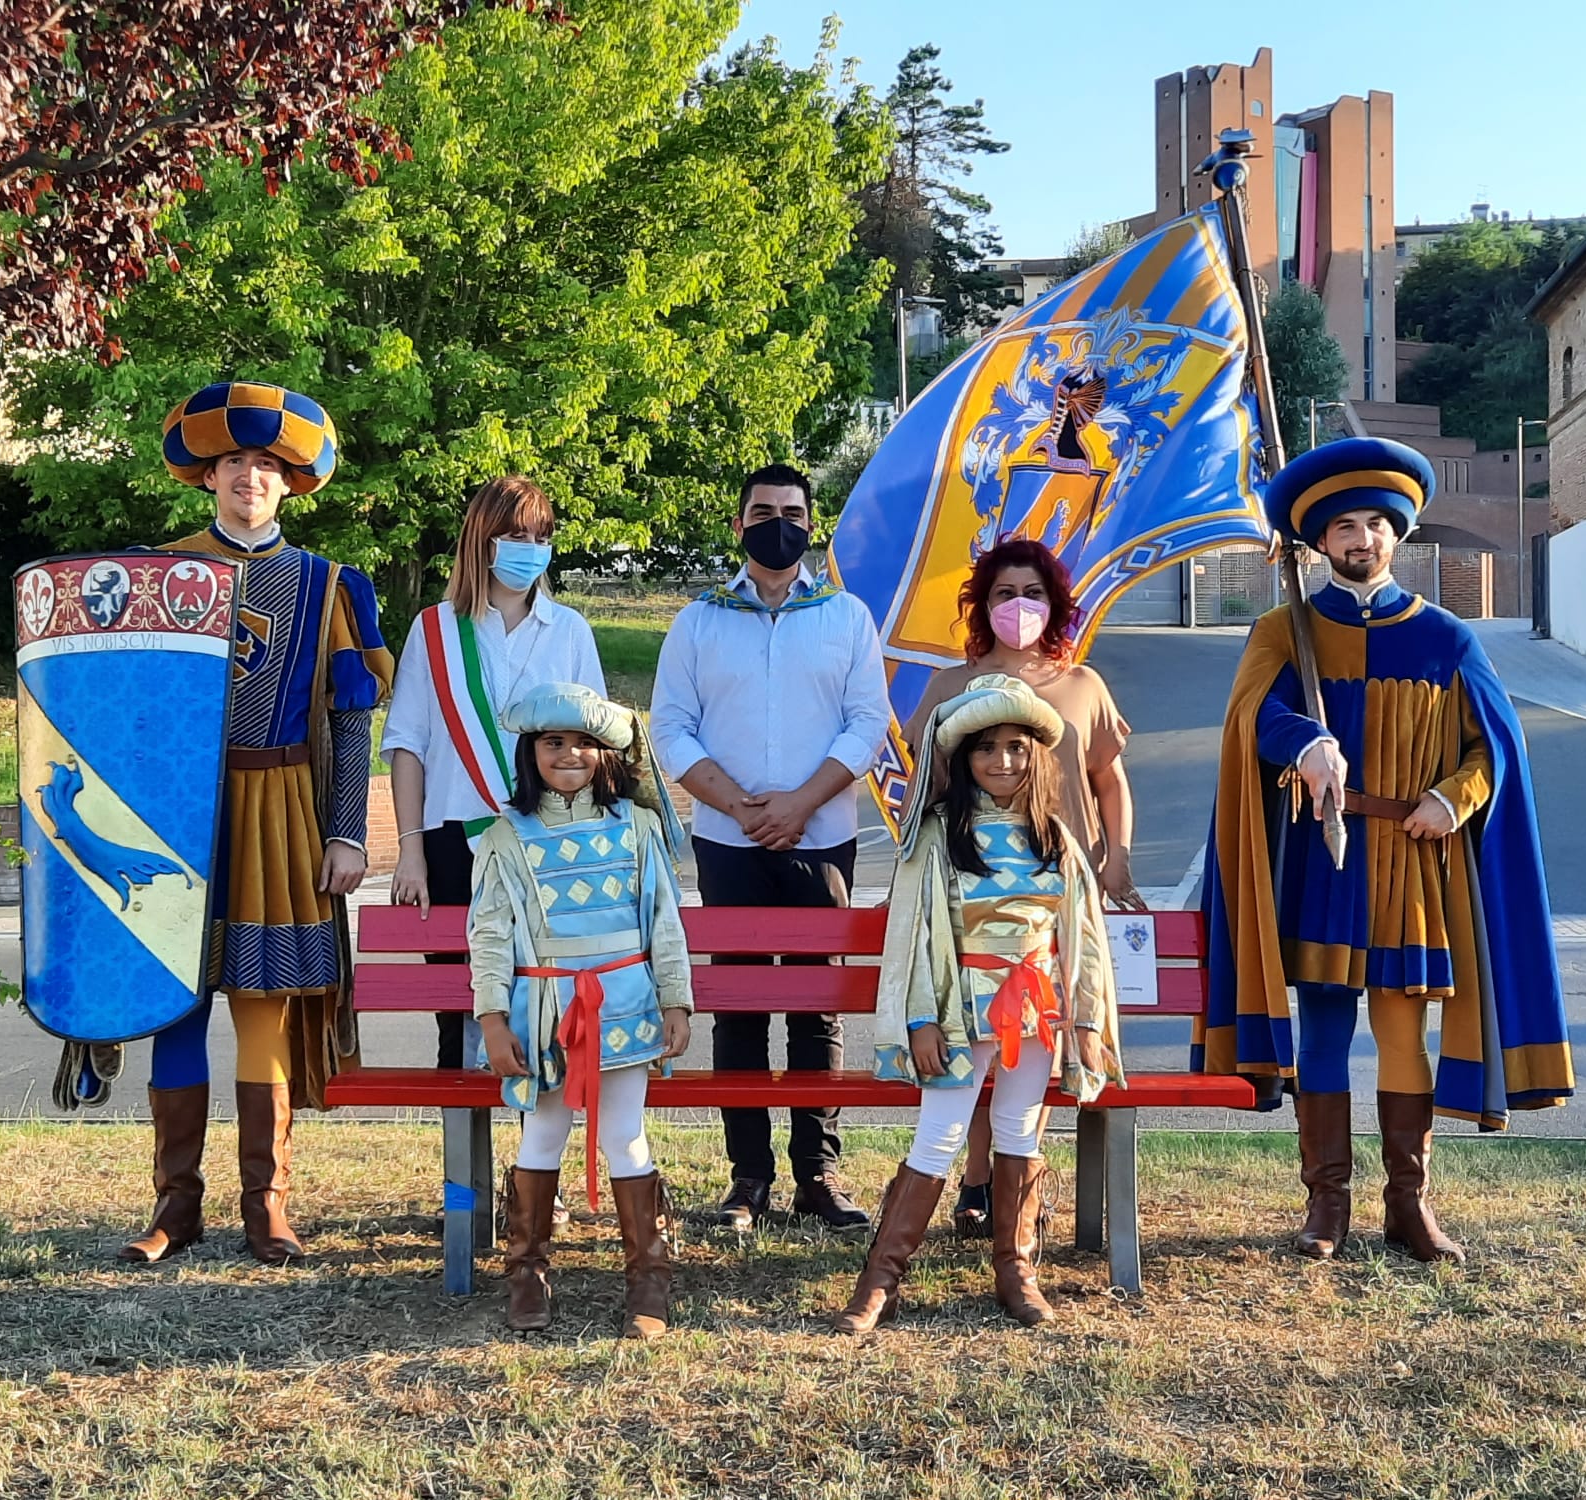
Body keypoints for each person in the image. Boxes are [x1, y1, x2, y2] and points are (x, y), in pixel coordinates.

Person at [1196, 436, 1576, 1265]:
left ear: (1398, 534)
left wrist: (1452, 798)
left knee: (1404, 1037)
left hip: (1411, 870)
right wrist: (1301, 739)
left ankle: (1409, 1204)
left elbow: (1494, 751)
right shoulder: (1281, 631)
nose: (1359, 539)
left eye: (1374, 523)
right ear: (1317, 543)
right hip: (1324, 868)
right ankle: (1326, 1204)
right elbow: (1249, 721)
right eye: (1341, 528)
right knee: (1325, 1034)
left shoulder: (1447, 638)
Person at [122, 381, 394, 1266]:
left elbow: (352, 723)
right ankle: (176, 1206)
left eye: (268, 466)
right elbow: (123, 718)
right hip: (175, 816)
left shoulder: (328, 586)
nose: (250, 476)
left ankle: (265, 1202)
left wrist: (348, 831)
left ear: (289, 484)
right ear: (208, 477)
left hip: (282, 809)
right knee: (176, 1002)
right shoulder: (156, 577)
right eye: (235, 461)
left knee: (264, 1004)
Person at [834, 674, 1124, 1333]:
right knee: (938, 1134)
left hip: (1034, 1017)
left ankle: (1015, 1271)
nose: (1003, 761)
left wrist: (1082, 1020)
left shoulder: (1057, 838)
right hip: (958, 1014)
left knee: (1019, 1129)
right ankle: (881, 1280)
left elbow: (1080, 939)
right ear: (962, 760)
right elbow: (914, 936)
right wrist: (920, 1019)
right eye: (985, 748)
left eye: (1018, 747)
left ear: (1038, 754)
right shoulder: (938, 836)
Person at [650, 462, 891, 1232]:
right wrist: (742, 806)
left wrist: (800, 804)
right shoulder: (699, 620)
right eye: (762, 510)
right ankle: (748, 1177)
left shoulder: (847, 616)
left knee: (817, 1006)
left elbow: (866, 722)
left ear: (809, 524)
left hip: (822, 840)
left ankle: (818, 1174)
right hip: (727, 839)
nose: (776, 522)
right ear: (738, 525)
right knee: (741, 1006)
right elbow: (670, 727)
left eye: (791, 511)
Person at [902, 536, 1138, 1236]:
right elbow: (924, 783)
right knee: (972, 1031)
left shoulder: (1083, 686)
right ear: (982, 604)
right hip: (974, 891)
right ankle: (974, 1183)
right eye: (1004, 593)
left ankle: (1013, 1224)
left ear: (1056, 604)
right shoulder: (951, 685)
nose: (1019, 606)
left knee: (1028, 1040)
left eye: (1033, 593)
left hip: (1059, 892)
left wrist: (1115, 855)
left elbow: (1109, 779)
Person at [468, 682, 693, 1338]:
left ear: (609, 753)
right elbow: (488, 934)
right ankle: (527, 1273)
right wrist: (492, 1017)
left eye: (584, 743)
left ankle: (649, 1279)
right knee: (542, 1134)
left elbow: (664, 922)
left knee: (626, 1135)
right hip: (542, 1016)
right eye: (552, 742)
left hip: (626, 1011)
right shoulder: (507, 838)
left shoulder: (640, 827)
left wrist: (675, 1000)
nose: (568, 754)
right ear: (529, 751)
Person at [381, 474, 606, 1079]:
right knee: (460, 1014)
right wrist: (410, 853)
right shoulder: (434, 630)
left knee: (544, 1006)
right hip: (454, 842)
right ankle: (465, 1173)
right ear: (482, 541)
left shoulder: (571, 631)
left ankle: (536, 1164)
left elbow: (596, 745)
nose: (529, 547)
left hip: (548, 839)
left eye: (540, 535)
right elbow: (407, 745)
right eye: (514, 535)